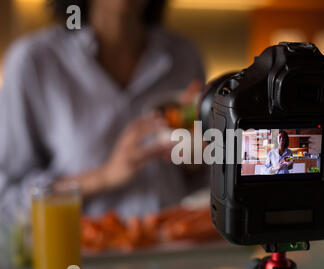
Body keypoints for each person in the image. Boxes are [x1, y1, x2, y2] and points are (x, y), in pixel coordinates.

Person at [0, 0, 205, 222]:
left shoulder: (184, 56)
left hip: (174, 251)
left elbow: (202, 185)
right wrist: (105, 176)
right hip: (78, 253)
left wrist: (195, 162)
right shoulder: (36, 62)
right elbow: (7, 198)